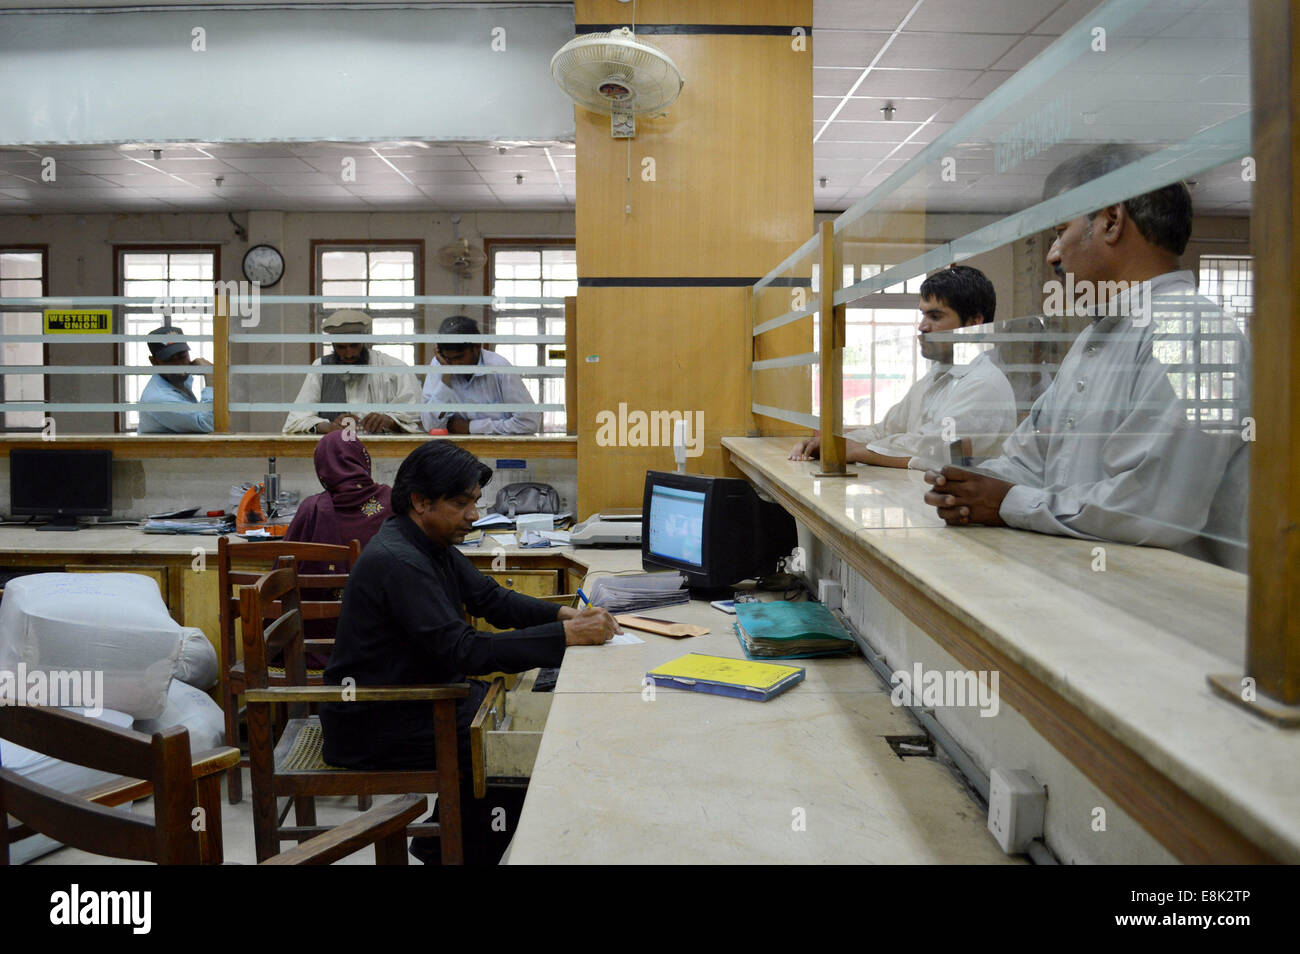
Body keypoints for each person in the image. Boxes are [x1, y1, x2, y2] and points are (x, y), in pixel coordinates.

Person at [922, 144, 1250, 570]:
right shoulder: (1095, 338)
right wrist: (969, 486)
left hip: (1173, 615)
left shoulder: (1194, 331)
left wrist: (1006, 502)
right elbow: (1030, 460)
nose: (1052, 255)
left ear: (1111, 221)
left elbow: (1154, 509)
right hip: (1089, 586)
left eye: (1061, 230)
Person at [319, 441, 621, 863]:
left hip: (417, 701)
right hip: (376, 721)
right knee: (508, 754)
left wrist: (563, 616)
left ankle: (442, 850)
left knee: (505, 731)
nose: (474, 516)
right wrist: (565, 639)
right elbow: (463, 650)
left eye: (475, 502)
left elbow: (491, 600)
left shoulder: (427, 541)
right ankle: (455, 854)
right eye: (462, 504)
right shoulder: (401, 561)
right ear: (420, 502)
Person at [789, 265, 1016, 468]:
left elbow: (932, 448)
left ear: (973, 323)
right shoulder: (937, 377)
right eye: (923, 315)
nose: (923, 326)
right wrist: (833, 443)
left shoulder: (984, 384)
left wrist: (854, 450)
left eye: (935, 316)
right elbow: (885, 430)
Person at [282, 309, 423, 435]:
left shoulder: (394, 369)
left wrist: (389, 421)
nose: (349, 354)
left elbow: (418, 419)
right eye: (341, 347)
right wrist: (329, 427)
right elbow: (295, 421)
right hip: (335, 456)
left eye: (354, 345)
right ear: (332, 345)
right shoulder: (321, 368)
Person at [420, 315, 542, 435]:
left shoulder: (498, 368)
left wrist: (471, 427)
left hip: (500, 451)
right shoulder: (441, 365)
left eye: (459, 357)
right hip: (456, 451)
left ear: (477, 346)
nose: (454, 364)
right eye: (448, 359)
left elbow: (529, 423)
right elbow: (430, 425)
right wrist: (445, 379)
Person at [138, 326, 214, 434]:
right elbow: (209, 424)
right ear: (153, 361)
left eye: (182, 356)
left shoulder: (177, 381)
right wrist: (210, 375)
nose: (179, 364)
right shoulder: (158, 398)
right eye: (170, 359)